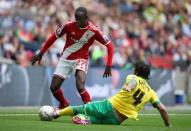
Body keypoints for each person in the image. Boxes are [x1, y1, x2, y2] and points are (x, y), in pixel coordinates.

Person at [31, 7, 114, 109]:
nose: (77, 21)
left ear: (86, 18)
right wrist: (41, 53)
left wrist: (109, 65)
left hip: (81, 59)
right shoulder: (68, 25)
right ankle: (63, 103)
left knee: (80, 86)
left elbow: (110, 45)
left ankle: (90, 111)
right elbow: (53, 37)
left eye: (79, 19)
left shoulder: (94, 30)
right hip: (65, 58)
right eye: (76, 18)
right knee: (53, 87)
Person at [52, 61, 171, 127]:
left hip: (109, 107)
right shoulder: (151, 93)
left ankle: (56, 114)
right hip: (117, 120)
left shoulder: (133, 77)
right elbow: (163, 109)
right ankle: (86, 120)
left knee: (80, 108)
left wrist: (129, 86)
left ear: (137, 71)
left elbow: (133, 82)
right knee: (95, 121)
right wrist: (168, 126)